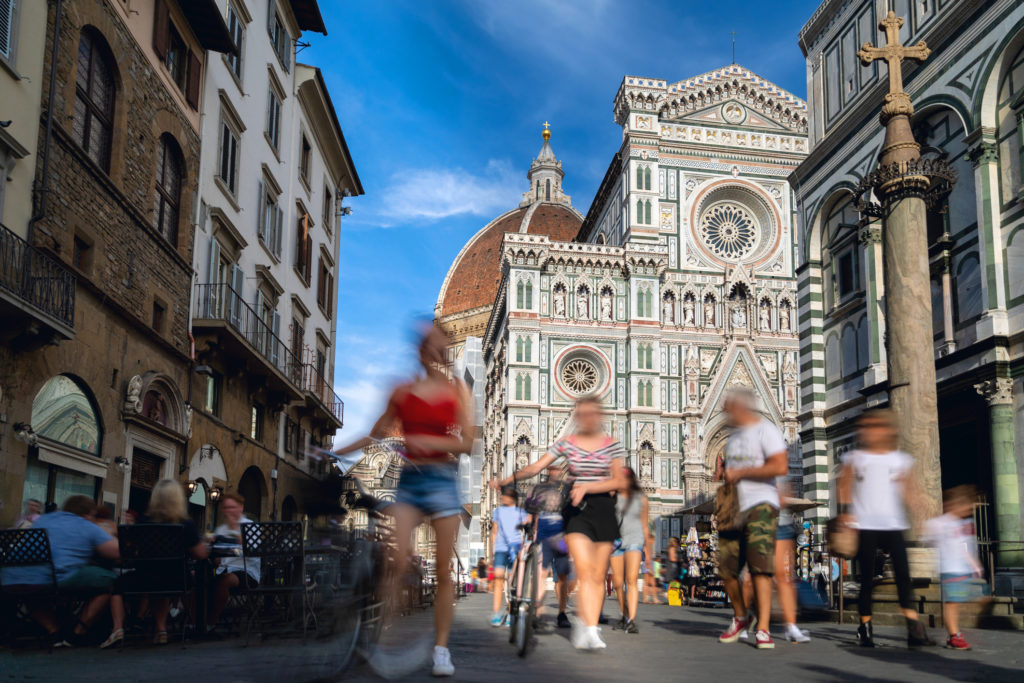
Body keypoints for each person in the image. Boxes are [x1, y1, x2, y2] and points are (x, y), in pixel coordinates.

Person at [332, 324, 474, 677]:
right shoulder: (402, 391)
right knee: (396, 561)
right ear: (422, 351)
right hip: (411, 479)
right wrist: (334, 451)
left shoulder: (458, 391)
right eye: (430, 347)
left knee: (443, 570)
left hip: (442, 479)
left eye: (440, 348)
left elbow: (467, 443)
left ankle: (441, 649)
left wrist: (433, 444)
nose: (435, 354)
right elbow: (375, 433)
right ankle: (381, 642)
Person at [492, 394, 628, 651]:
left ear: (599, 416)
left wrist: (588, 486)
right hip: (576, 510)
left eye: (592, 413)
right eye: (582, 413)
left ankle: (589, 628)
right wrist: (506, 480)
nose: (587, 418)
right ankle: (584, 625)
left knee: (598, 576)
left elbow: (620, 481)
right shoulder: (568, 443)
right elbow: (534, 467)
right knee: (586, 571)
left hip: (603, 509)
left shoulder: (612, 445)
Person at [838, 409, 934, 648]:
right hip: (865, 524)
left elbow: (908, 489)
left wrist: (922, 509)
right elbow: (844, 486)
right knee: (867, 579)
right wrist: (847, 515)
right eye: (867, 426)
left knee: (903, 576)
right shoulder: (856, 458)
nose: (871, 430)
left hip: (894, 524)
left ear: (889, 430)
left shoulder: (899, 459)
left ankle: (913, 629)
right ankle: (865, 627)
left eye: (877, 425)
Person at [716, 387, 789, 650]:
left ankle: (764, 629)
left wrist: (741, 472)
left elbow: (780, 466)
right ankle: (740, 616)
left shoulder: (766, 430)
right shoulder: (732, 440)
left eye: (728, 408)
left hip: (761, 505)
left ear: (741, 408)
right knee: (726, 570)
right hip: (732, 508)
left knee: (760, 568)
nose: (725, 413)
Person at [101, 480, 209, 648]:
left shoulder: (142, 522)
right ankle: (162, 631)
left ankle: (117, 629)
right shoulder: (185, 524)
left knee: (117, 585)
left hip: (144, 578)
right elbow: (201, 554)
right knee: (164, 585)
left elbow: (128, 553)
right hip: (178, 579)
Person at [1, 495, 119, 647]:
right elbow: (116, 551)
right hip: (52, 578)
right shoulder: (85, 524)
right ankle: (77, 634)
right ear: (87, 515)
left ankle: (55, 632)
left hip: (13, 578)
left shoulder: (44, 519)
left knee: (31, 592)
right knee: (111, 581)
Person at [739, 487, 811, 644]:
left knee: (783, 577)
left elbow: (785, 485)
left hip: (781, 523)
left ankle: (790, 627)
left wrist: (783, 496)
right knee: (750, 580)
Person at [923, 485, 987, 650]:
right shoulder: (942, 523)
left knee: (958, 603)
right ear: (955, 504)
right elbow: (928, 536)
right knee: (952, 603)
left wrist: (974, 564)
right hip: (949, 568)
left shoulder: (966, 523)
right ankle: (954, 636)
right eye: (967, 507)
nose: (969, 511)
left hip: (963, 570)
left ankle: (955, 632)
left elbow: (965, 546)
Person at [525, 463, 572, 629]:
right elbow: (532, 510)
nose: (556, 471)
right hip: (543, 537)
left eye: (558, 469)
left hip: (561, 537)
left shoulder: (567, 490)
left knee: (562, 577)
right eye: (552, 469)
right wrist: (532, 529)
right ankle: (537, 612)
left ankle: (562, 613)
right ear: (548, 471)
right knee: (541, 574)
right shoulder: (540, 488)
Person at [205, 492, 258, 635]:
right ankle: (196, 621)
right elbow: (216, 559)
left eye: (232, 507)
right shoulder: (220, 530)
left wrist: (237, 535)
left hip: (247, 571)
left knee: (224, 579)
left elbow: (256, 552)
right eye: (226, 508)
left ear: (240, 508)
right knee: (197, 579)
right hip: (225, 570)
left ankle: (210, 623)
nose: (229, 511)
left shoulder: (250, 527)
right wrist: (212, 551)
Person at [610, 468, 649, 633]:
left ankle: (631, 620)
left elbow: (645, 526)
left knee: (631, 579)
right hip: (616, 542)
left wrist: (649, 554)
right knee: (618, 583)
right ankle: (624, 614)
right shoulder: (612, 497)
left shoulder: (641, 499)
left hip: (635, 540)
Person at [489, 485, 527, 626]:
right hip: (500, 549)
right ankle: (496, 613)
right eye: (503, 495)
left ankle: (511, 613)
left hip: (515, 549)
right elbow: (494, 530)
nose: (503, 497)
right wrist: (492, 551)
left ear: (513, 497)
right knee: (498, 578)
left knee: (512, 583)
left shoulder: (520, 511)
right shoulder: (497, 511)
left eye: (506, 495)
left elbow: (527, 527)